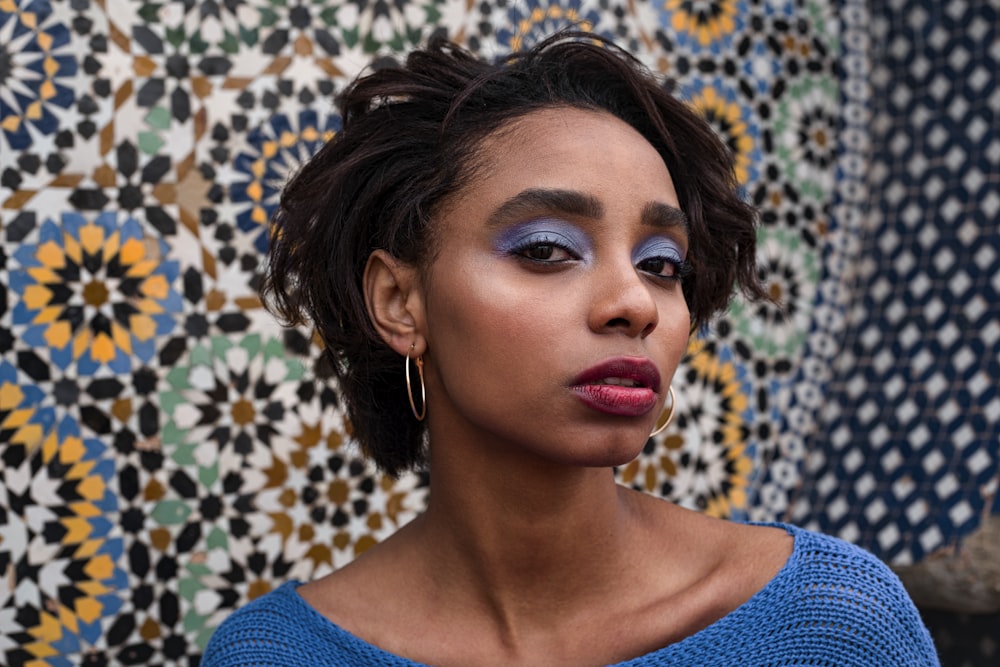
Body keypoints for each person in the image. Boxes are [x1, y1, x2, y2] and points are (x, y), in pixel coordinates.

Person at [201, 32, 938, 666]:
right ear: (401, 301)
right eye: (548, 248)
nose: (635, 303)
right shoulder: (277, 653)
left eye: (662, 264)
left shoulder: (830, 622)